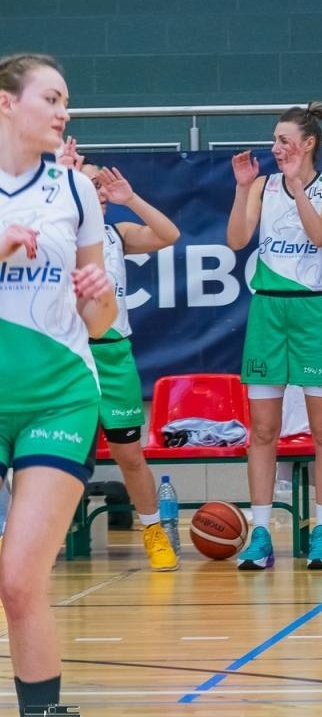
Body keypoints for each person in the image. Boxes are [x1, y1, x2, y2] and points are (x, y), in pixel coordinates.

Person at [0, 53, 116, 717]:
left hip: (59, 396)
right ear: (6, 103)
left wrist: (97, 292)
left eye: (67, 99)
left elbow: (100, 322)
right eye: (51, 97)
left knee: (19, 581)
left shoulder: (75, 189)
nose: (63, 111)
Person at [226, 102, 322, 571]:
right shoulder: (261, 184)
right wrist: (242, 190)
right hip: (268, 310)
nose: (275, 148)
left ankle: (321, 531)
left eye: (283, 140)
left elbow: (320, 235)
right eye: (274, 139)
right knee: (262, 431)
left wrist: (299, 191)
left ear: (308, 143)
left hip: (315, 311)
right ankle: (260, 533)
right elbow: (238, 240)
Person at [83, 163, 183, 571]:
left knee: (129, 456)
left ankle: (154, 532)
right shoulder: (55, 238)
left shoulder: (116, 234)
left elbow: (169, 235)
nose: (101, 193)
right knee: (59, 456)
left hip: (113, 354)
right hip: (70, 355)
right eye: (92, 186)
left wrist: (131, 199)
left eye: (103, 188)